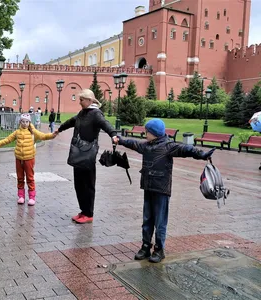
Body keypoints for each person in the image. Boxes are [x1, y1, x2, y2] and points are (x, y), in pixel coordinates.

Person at [116, 118, 215, 263]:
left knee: (160, 221)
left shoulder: (169, 146)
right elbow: (134, 143)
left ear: (154, 133)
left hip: (161, 189)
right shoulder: (147, 145)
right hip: (148, 187)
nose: (145, 134)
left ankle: (159, 249)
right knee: (147, 219)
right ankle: (145, 246)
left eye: (147, 131)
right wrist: (121, 140)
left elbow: (186, 149)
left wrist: (202, 154)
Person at [56, 89, 118, 224]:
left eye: (82, 100)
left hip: (88, 154)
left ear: (89, 100)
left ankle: (89, 213)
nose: (80, 102)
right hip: (78, 152)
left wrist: (113, 134)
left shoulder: (96, 114)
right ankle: (83, 211)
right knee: (78, 184)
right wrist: (59, 129)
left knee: (88, 184)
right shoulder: (82, 113)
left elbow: (105, 124)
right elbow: (71, 121)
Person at [0, 113, 57, 206]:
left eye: (27, 122)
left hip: (29, 158)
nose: (25, 123)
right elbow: (7, 139)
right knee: (20, 178)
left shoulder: (33, 132)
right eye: (23, 121)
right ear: (20, 122)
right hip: (18, 159)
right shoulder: (17, 132)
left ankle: (31, 197)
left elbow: (43, 136)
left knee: (30, 178)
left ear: (29, 122)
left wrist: (52, 135)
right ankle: (21, 196)